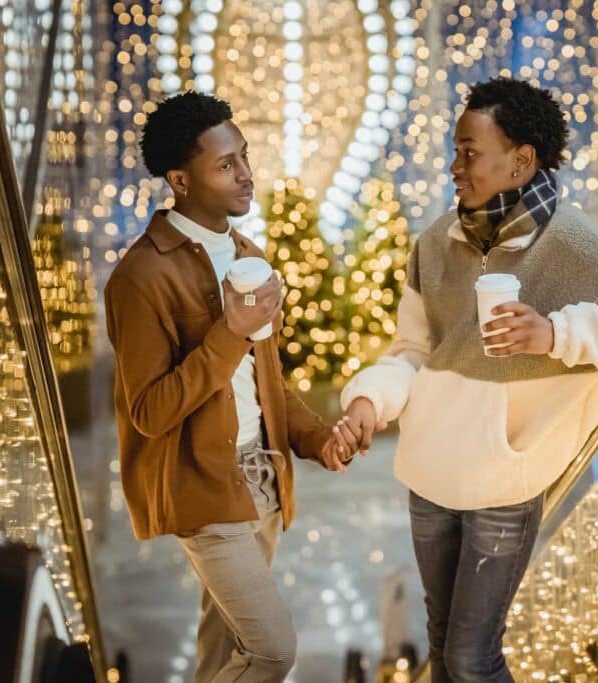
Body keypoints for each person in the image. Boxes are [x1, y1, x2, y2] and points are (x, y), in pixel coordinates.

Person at [331, 78, 598, 682]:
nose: (454, 166)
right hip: (429, 473)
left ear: (521, 161)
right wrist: (368, 402)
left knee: (471, 657)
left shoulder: (573, 242)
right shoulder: (435, 243)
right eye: (455, 149)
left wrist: (556, 334)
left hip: (503, 481)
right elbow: (412, 351)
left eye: (469, 151)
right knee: (442, 646)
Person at [104, 91, 353, 683]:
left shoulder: (248, 255)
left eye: (243, 156)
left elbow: (266, 381)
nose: (245, 175)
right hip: (204, 486)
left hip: (262, 480)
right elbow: (148, 410)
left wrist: (317, 438)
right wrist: (231, 332)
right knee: (270, 651)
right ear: (180, 181)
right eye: (225, 165)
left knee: (224, 650)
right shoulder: (141, 276)